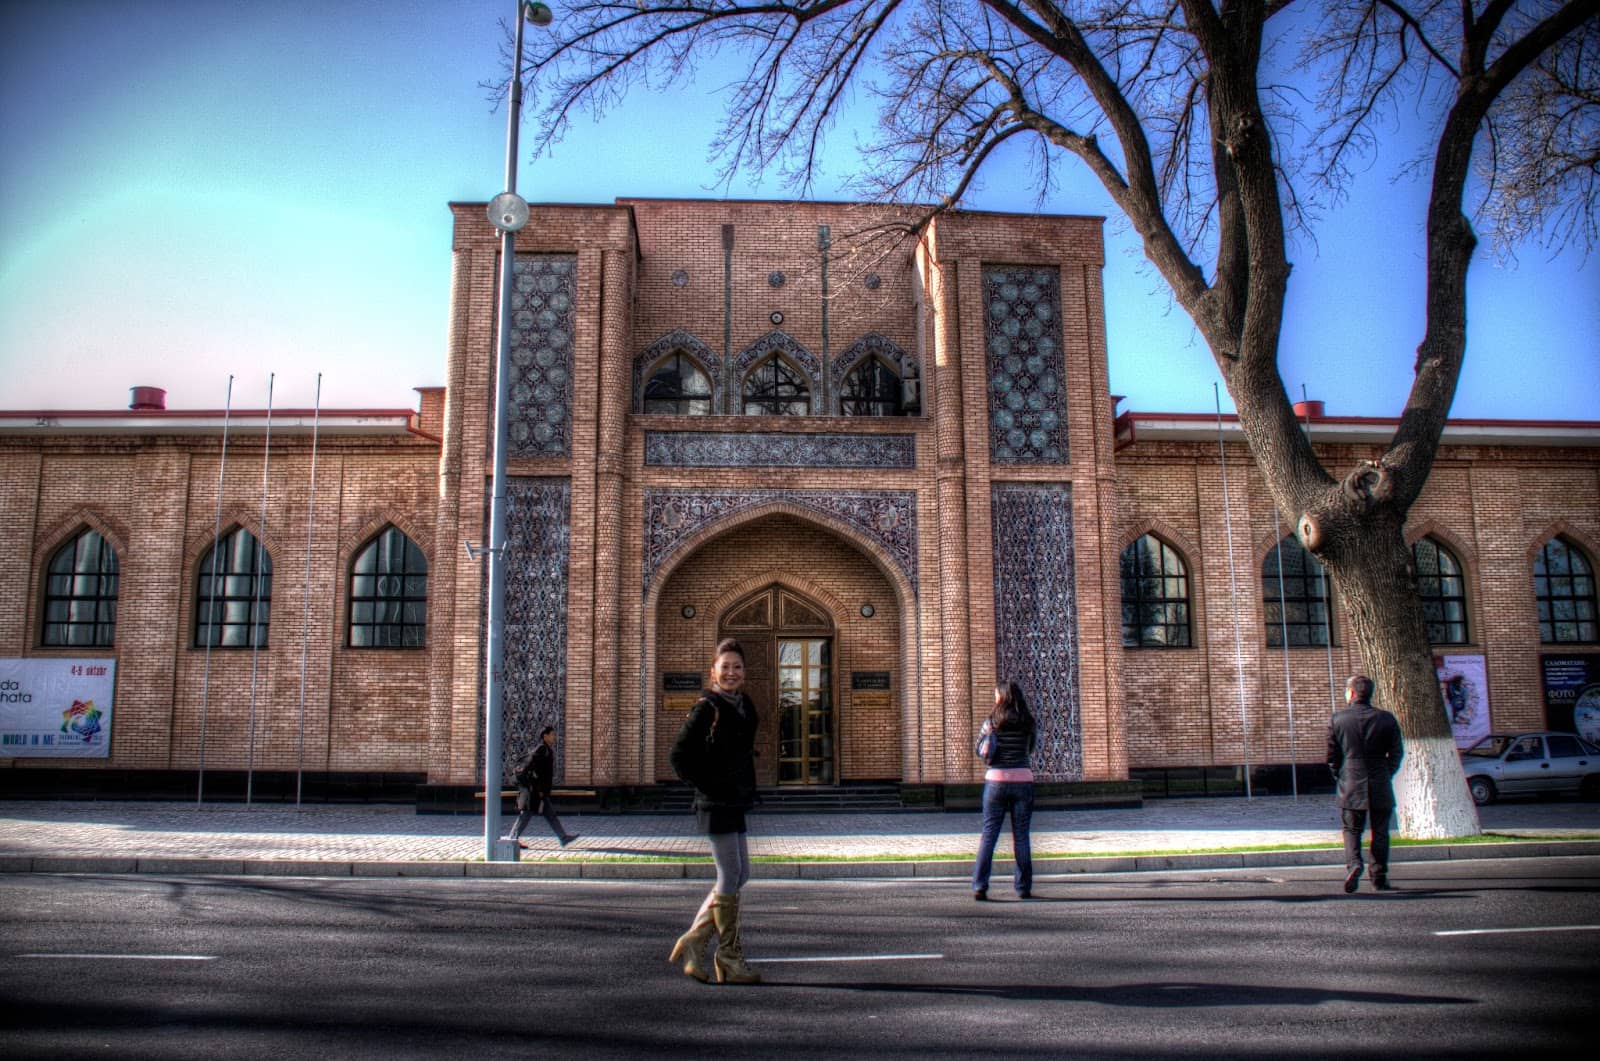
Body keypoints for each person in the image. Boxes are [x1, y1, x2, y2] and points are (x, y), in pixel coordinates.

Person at [666, 638, 762, 985]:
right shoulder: (707, 707)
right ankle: (729, 956)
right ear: (713, 671)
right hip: (715, 802)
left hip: (734, 801)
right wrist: (709, 785)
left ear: (744, 672)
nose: (731, 673)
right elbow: (679, 757)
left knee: (741, 874)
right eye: (725, 667)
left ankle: (695, 940)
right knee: (729, 874)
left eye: (737, 667)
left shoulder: (743, 704)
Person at [1326, 674, 1405, 893]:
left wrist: (1341, 775)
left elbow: (1332, 756)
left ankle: (1354, 864)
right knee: (1380, 832)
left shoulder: (1338, 720)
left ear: (1351, 693)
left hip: (1350, 781)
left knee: (1351, 829)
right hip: (1380, 779)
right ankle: (1379, 877)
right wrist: (1387, 772)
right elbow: (1397, 752)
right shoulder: (1386, 719)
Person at [971, 680, 1037, 901]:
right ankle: (1023, 887)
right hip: (1022, 781)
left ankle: (980, 885)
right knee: (1021, 836)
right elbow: (1031, 748)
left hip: (996, 782)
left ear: (1001, 697)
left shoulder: (992, 722)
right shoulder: (1028, 722)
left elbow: (980, 749)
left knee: (989, 835)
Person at [506, 725, 578, 848]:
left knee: (550, 815)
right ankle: (512, 839)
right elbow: (534, 769)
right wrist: (539, 788)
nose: (554, 737)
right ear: (545, 736)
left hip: (540, 791)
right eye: (552, 734)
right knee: (526, 814)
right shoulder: (542, 750)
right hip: (534, 791)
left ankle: (563, 838)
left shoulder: (547, 750)